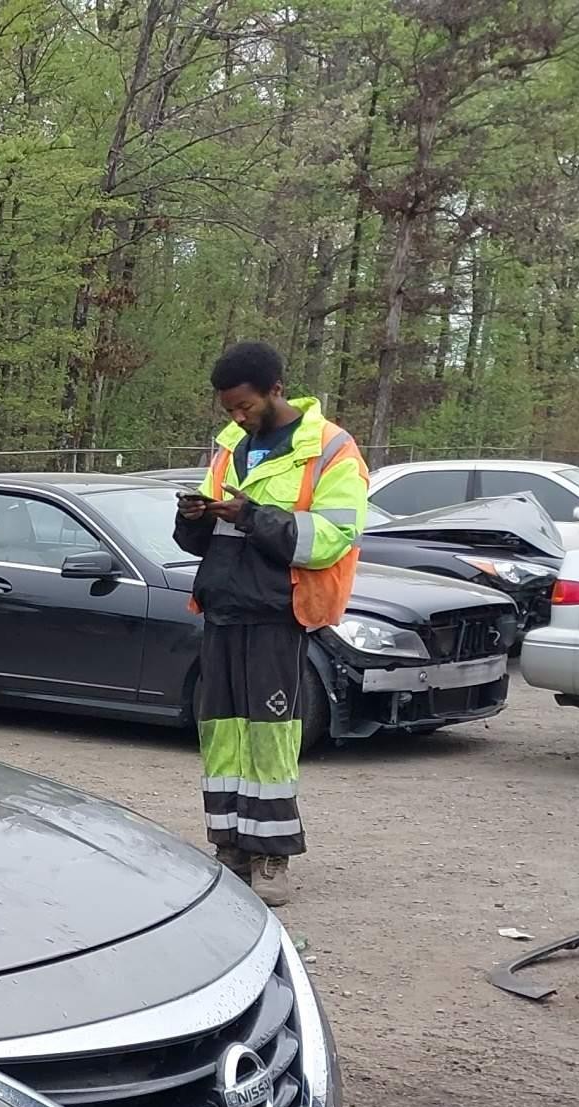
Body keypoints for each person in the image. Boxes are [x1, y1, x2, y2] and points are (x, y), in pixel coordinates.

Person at [173, 341, 368, 907]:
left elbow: (333, 537)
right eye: (228, 408)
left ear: (276, 390)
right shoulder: (230, 446)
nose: (237, 417)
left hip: (277, 613)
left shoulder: (330, 449)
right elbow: (205, 536)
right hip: (224, 610)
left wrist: (252, 516)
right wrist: (194, 518)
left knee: (270, 737)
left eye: (245, 406)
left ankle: (271, 854)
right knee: (223, 736)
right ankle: (229, 845)